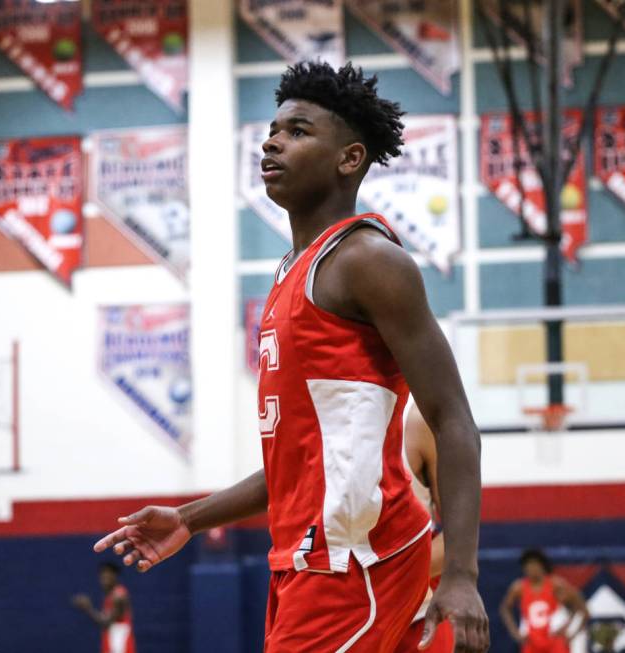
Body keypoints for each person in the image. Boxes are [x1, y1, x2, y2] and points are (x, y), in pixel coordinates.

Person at [93, 61, 489, 653]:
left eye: (298, 131)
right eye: (272, 130)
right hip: (307, 559)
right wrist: (190, 519)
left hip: (356, 563)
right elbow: (298, 469)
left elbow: (454, 419)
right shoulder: (290, 274)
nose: (272, 140)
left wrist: (460, 574)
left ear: (348, 158)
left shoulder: (369, 262)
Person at [394, 403, 455, 653]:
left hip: (416, 616)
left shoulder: (419, 419)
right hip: (343, 611)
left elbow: (457, 541)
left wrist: (384, 577)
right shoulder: (320, 412)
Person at [499, 549, 589, 653]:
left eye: (534, 564)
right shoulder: (519, 588)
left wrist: (571, 633)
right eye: (528, 565)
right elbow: (505, 609)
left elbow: (582, 609)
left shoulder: (556, 585)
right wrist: (516, 633)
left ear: (542, 566)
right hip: (532, 643)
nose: (531, 568)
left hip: (555, 642)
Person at [71, 562, 136, 653]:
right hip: (113, 640)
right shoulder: (110, 595)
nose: (104, 580)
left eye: (107, 577)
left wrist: (88, 608)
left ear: (115, 576)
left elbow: (105, 622)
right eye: (102, 577)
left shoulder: (118, 596)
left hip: (119, 643)